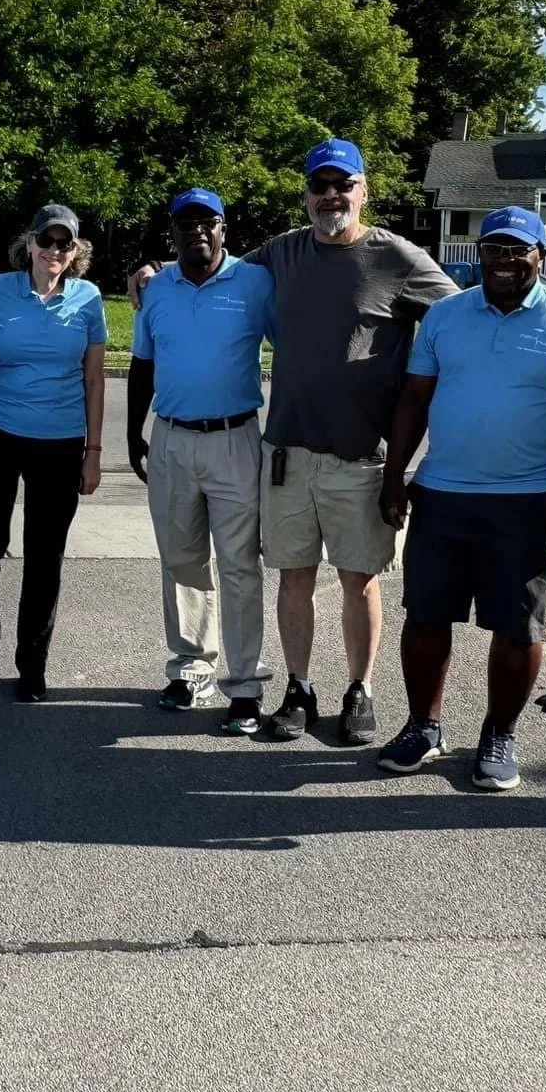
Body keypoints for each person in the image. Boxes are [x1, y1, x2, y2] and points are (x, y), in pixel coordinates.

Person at [129, 139, 454, 747]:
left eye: (343, 185)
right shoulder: (280, 254)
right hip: (285, 452)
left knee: (360, 578)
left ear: (364, 191)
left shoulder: (398, 257)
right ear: (307, 196)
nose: (331, 195)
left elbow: (459, 319)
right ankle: (298, 687)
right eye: (319, 186)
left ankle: (359, 688)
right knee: (292, 577)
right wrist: (153, 271)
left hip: (361, 452)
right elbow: (207, 261)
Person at [374, 208, 546, 790]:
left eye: (517, 250)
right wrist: (394, 476)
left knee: (518, 628)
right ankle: (423, 726)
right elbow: (413, 400)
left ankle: (499, 734)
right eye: (493, 249)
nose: (504, 261)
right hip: (442, 493)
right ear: (479, 255)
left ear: (540, 257)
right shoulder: (445, 317)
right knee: (426, 616)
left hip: (525, 500)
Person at [125, 188, 278, 735]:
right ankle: (191, 668)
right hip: (170, 437)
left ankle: (245, 685)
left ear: (223, 228)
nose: (197, 232)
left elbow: (292, 351)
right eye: (185, 224)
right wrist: (131, 433)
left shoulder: (255, 283)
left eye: (207, 222)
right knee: (182, 559)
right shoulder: (156, 289)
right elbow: (143, 364)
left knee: (239, 563)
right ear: (173, 233)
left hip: (236, 437)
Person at [0, 204, 107, 703]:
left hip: (60, 440)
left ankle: (32, 662)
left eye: (65, 244)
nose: (54, 251)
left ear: (76, 251)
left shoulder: (87, 299)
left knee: (46, 556)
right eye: (47, 240)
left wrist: (93, 450)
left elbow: (93, 379)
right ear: (30, 243)